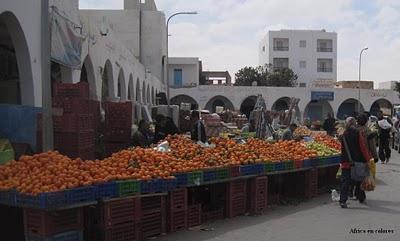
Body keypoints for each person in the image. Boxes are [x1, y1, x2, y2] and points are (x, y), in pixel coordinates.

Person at [339, 117, 371, 208]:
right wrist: (368, 159)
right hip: (357, 162)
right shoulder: (357, 133)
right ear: (354, 123)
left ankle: (342, 201)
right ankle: (361, 197)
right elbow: (363, 147)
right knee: (359, 180)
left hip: (346, 161)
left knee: (345, 181)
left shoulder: (343, 134)